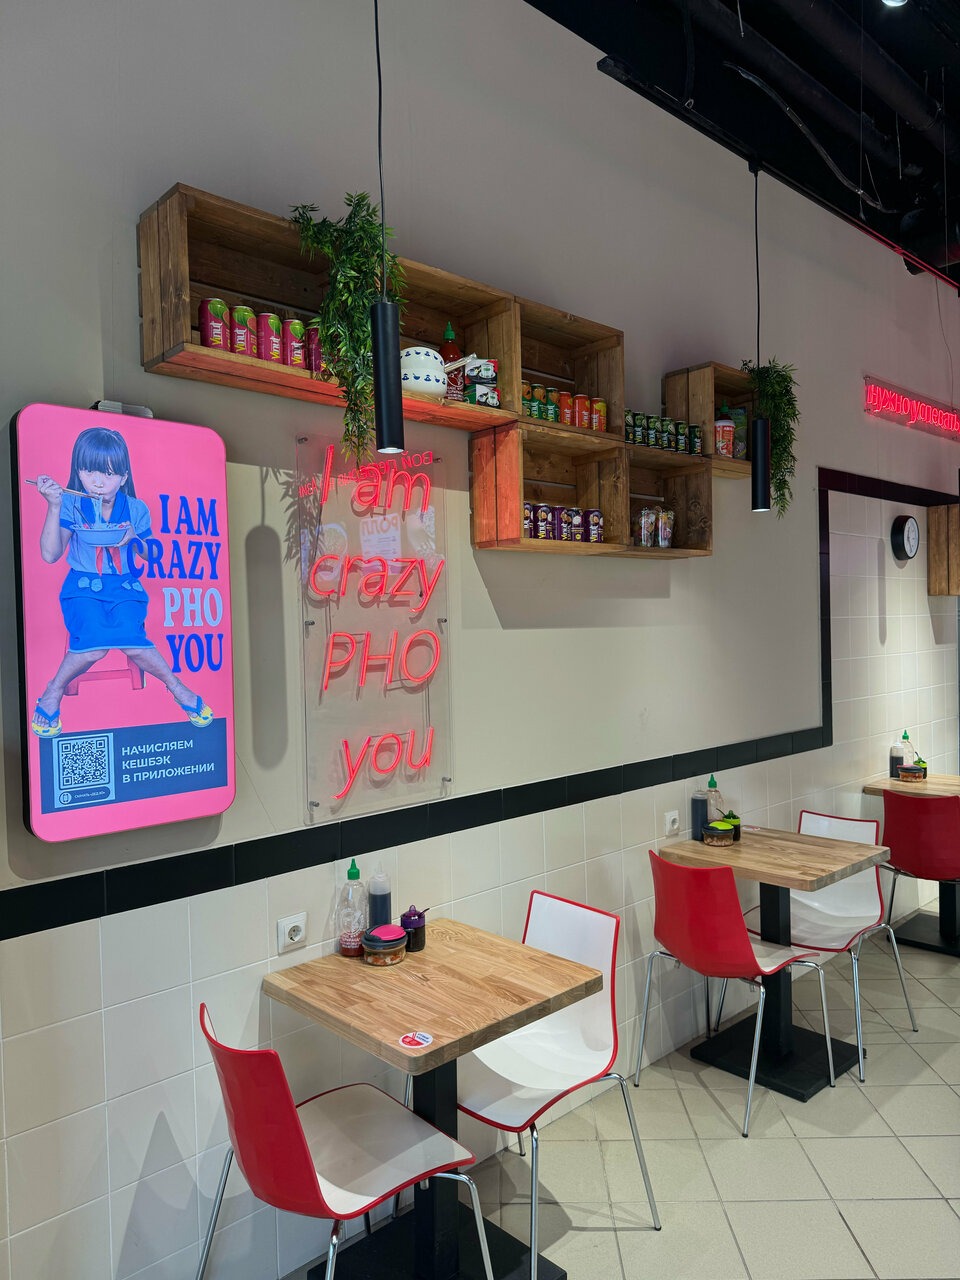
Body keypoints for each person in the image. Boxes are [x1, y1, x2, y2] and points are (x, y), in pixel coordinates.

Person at [30, 426, 213, 738]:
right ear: (78, 470)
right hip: (82, 589)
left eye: (108, 473)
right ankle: (54, 690)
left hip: (126, 589)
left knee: (131, 638)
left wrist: (134, 539)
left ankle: (176, 687)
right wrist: (54, 505)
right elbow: (50, 554)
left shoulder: (136, 508)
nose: (98, 481)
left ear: (124, 476)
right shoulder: (71, 503)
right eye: (88, 471)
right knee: (96, 648)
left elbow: (153, 554)